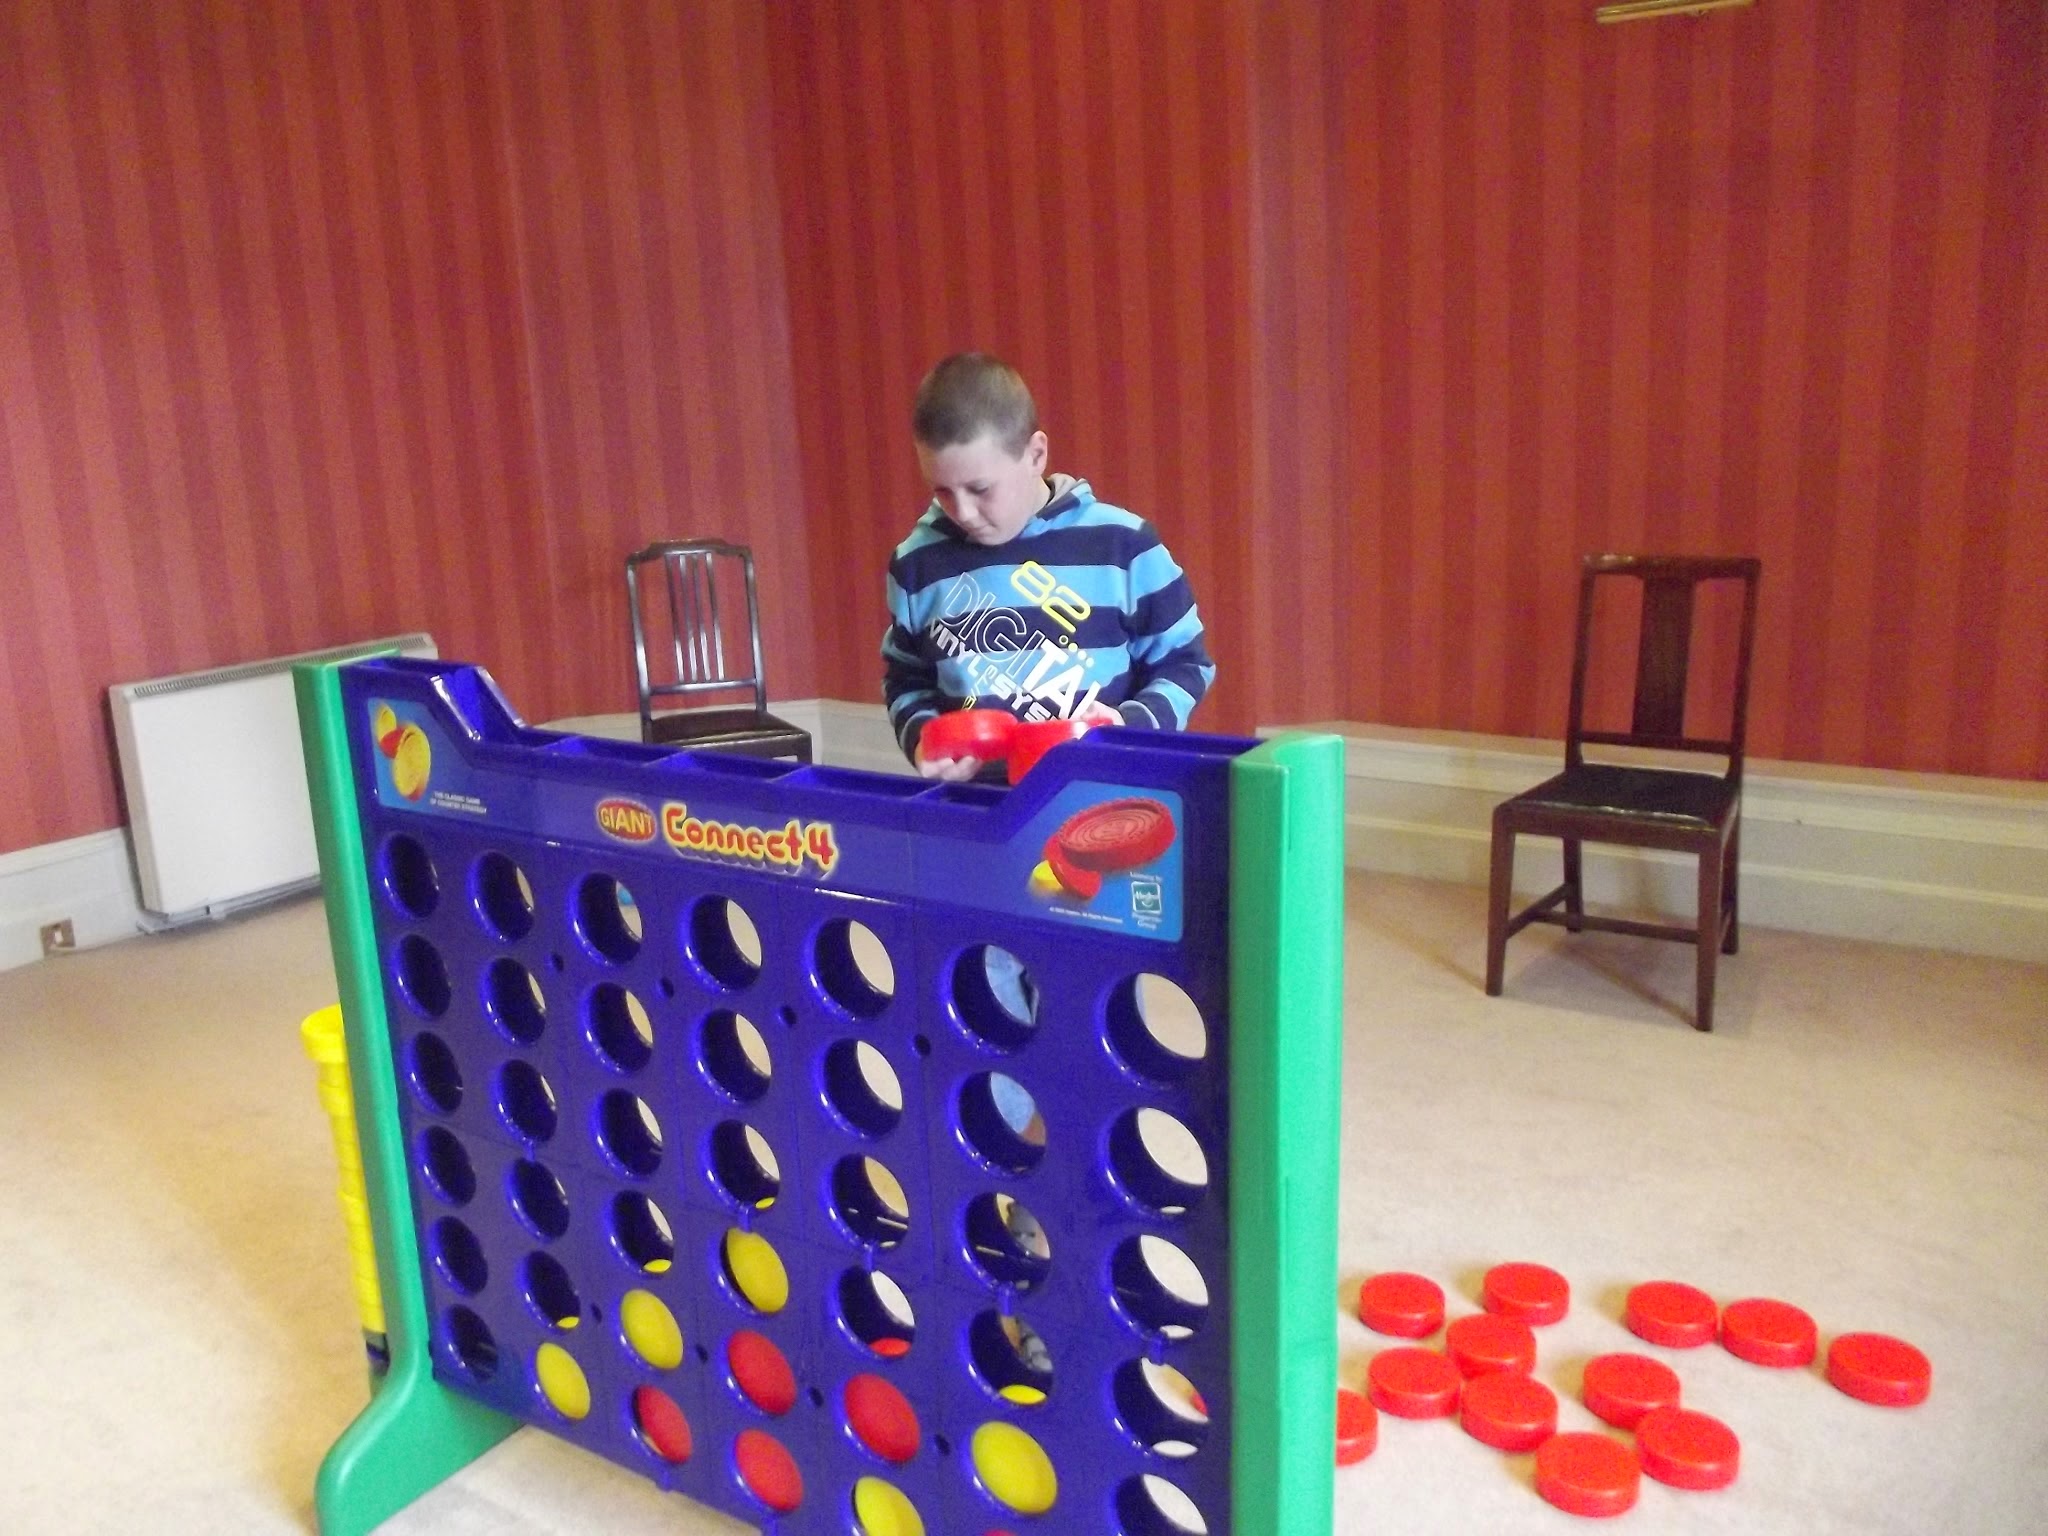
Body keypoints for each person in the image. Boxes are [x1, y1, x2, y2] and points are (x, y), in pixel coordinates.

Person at [881, 352, 1215, 782]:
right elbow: (906, 680)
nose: (962, 511)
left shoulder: (1124, 547)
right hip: (977, 807)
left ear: (1036, 454)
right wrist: (924, 737)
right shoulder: (916, 563)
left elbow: (1187, 663)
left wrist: (1128, 726)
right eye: (943, 491)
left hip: (1104, 794)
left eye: (980, 489)